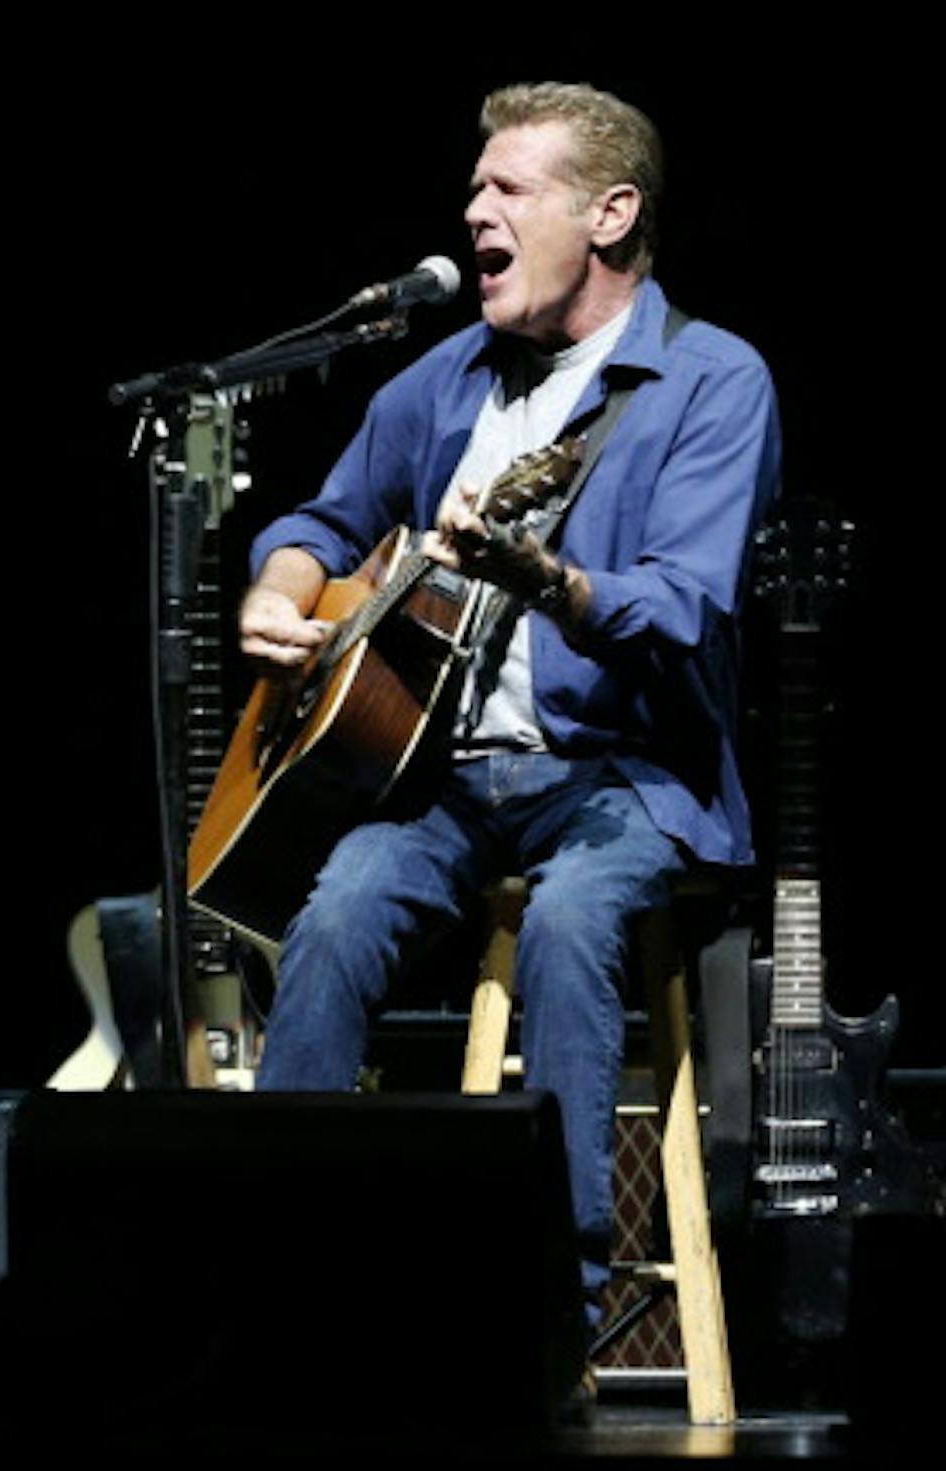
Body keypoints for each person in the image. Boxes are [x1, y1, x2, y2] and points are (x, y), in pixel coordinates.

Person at [242, 83, 779, 1319]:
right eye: (475, 187)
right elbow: (323, 519)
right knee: (326, 925)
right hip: (447, 778)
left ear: (610, 214)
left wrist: (547, 576)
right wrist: (282, 590)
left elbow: (688, 602)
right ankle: (267, 1272)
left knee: (568, 924)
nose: (473, 210)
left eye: (507, 190)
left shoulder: (710, 380)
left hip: (630, 778)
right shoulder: (449, 379)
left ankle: (557, 1304)